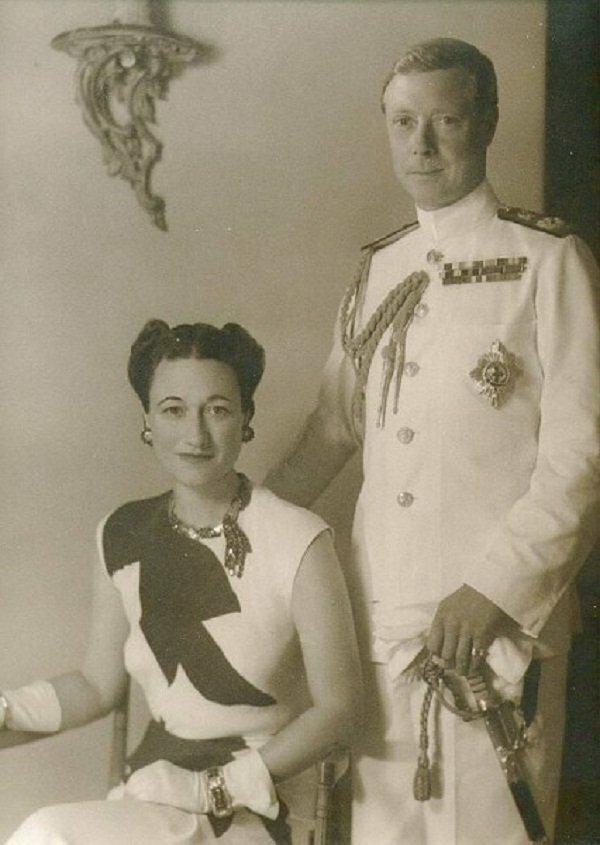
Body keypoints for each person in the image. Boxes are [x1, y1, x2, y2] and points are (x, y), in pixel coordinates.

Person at [265, 38, 600, 845]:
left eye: (445, 120)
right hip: (382, 623)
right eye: (403, 122)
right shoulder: (379, 270)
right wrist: (238, 524)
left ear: (486, 122)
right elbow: (332, 430)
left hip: (496, 628)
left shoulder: (547, 260)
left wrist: (494, 587)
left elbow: (581, 456)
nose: (421, 144)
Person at [0, 319, 363, 844]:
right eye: (173, 410)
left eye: (217, 409)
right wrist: (7, 709)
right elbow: (96, 686)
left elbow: (339, 710)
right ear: (147, 419)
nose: (195, 435)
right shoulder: (122, 532)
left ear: (246, 417)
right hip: (156, 788)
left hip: (260, 802)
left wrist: (214, 788)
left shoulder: (299, 538)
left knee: (47, 834)